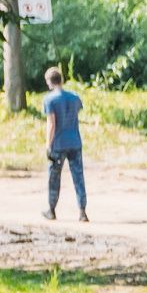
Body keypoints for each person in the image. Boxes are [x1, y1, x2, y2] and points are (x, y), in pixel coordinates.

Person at [41, 67, 87, 222]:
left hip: (58, 143)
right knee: (78, 177)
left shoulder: (49, 99)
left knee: (54, 177)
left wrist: (48, 144)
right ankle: (82, 211)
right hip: (75, 141)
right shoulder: (75, 97)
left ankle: (52, 209)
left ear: (49, 82)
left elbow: (51, 124)